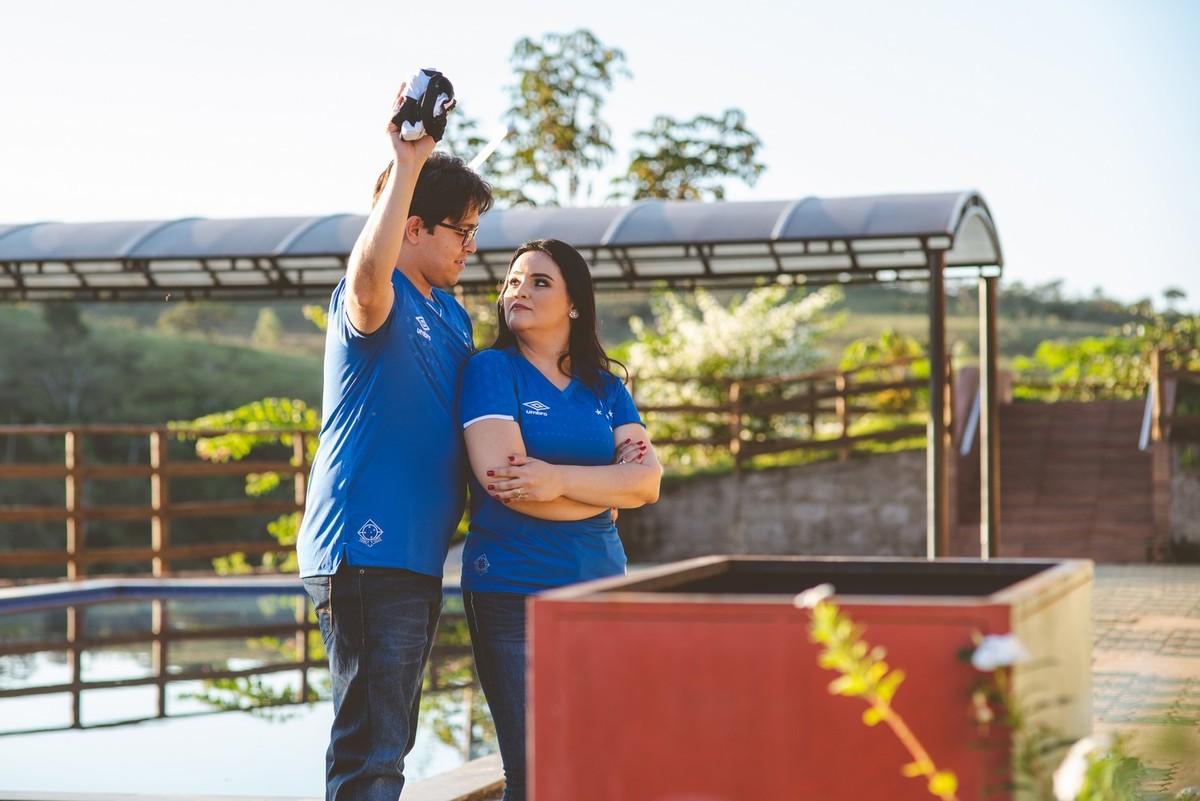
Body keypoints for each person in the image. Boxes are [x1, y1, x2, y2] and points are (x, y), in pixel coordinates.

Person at [297, 81, 494, 801]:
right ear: (414, 227)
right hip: (365, 547)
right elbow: (367, 271)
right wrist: (408, 163)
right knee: (373, 751)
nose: (472, 247)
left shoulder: (453, 318)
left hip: (412, 554)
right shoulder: (377, 299)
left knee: (391, 745)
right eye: (461, 232)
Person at [457, 238, 663, 801]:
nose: (518, 290)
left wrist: (559, 479)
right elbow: (510, 485)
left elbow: (647, 482)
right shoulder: (491, 370)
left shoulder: (607, 387)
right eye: (513, 281)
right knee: (535, 773)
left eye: (539, 281)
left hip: (599, 588)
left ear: (575, 304)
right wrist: (604, 488)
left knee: (594, 760)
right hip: (511, 589)